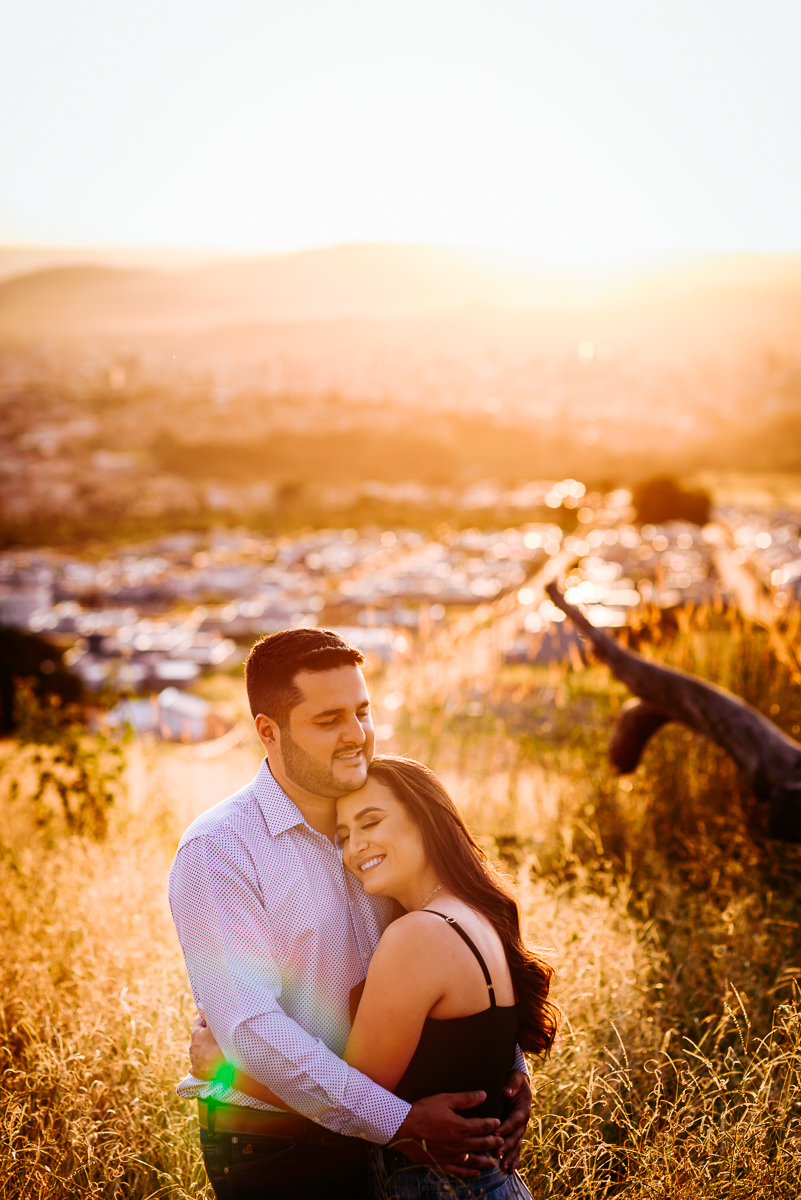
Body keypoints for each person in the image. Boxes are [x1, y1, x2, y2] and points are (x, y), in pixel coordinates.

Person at [169, 628, 532, 1200]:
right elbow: (248, 1030)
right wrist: (399, 1122)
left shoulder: (382, 816)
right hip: (281, 1146)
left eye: (362, 712)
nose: (356, 735)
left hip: (398, 1139)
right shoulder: (219, 852)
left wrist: (501, 1076)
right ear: (269, 731)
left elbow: (456, 941)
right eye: (328, 719)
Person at [190, 753, 558, 1199]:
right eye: (344, 835)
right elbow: (472, 1038)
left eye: (371, 823)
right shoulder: (476, 915)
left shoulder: (415, 936)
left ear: (425, 821)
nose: (354, 847)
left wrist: (227, 1069)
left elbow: (358, 1094)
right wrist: (509, 1078)